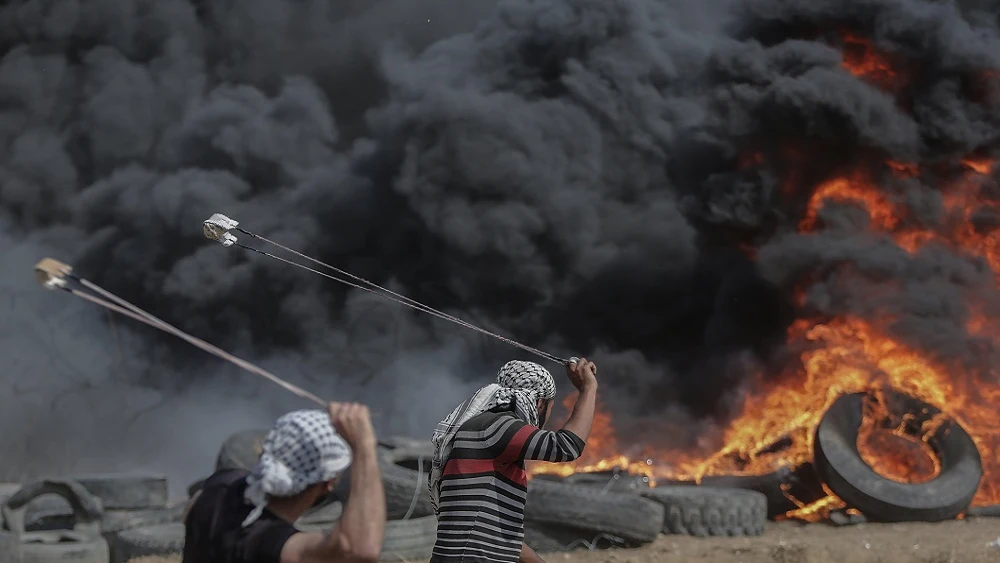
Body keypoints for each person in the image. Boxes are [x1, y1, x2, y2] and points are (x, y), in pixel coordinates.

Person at [428, 357, 599, 563]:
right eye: (550, 407)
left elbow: (501, 538)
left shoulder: (487, 430)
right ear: (540, 403)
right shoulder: (498, 426)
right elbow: (565, 446)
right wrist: (588, 389)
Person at [182, 402, 386, 563]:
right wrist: (365, 448)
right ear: (328, 483)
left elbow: (193, 508)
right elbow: (357, 550)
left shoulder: (221, 484)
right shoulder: (267, 542)